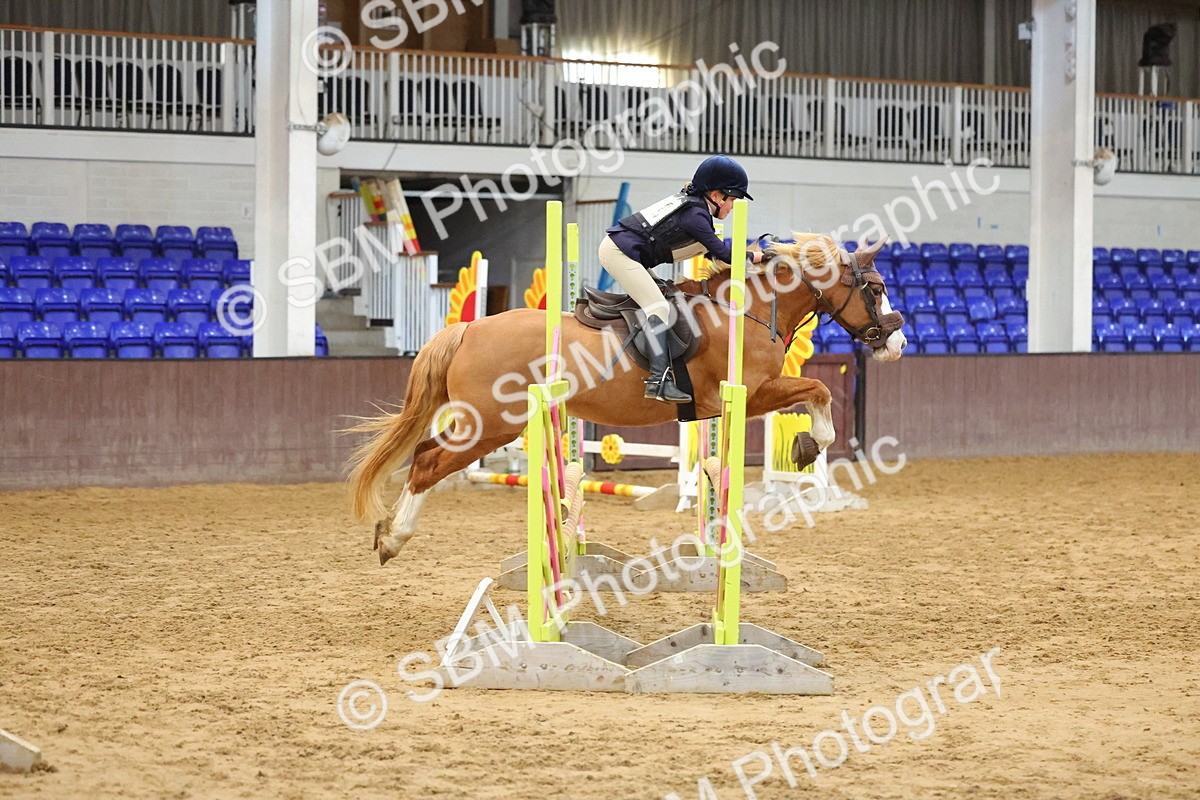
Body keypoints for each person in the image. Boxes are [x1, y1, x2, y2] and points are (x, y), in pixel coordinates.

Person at [600, 155, 768, 404]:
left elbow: (711, 253)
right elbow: (722, 253)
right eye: (731, 199)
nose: (732, 207)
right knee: (658, 307)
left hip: (629, 254)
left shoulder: (696, 209)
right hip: (619, 253)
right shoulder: (695, 215)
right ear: (716, 195)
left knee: (666, 297)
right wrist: (758, 256)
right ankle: (657, 382)